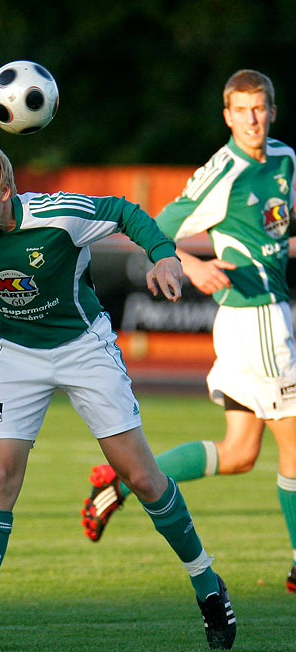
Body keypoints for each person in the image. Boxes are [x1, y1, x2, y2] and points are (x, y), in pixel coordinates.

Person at [0, 139, 236, 651]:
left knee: (143, 477)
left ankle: (206, 584)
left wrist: (164, 256)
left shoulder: (59, 214)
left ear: (4, 191)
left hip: (82, 346)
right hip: (11, 351)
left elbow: (127, 211)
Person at [81, 69, 296, 595]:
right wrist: (192, 266)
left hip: (270, 313)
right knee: (294, 444)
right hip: (257, 319)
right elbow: (151, 226)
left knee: (241, 452)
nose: (251, 119)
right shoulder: (223, 173)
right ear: (226, 115)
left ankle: (122, 480)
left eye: (259, 108)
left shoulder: (287, 160)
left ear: (271, 109)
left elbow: (280, 232)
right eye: (241, 110)